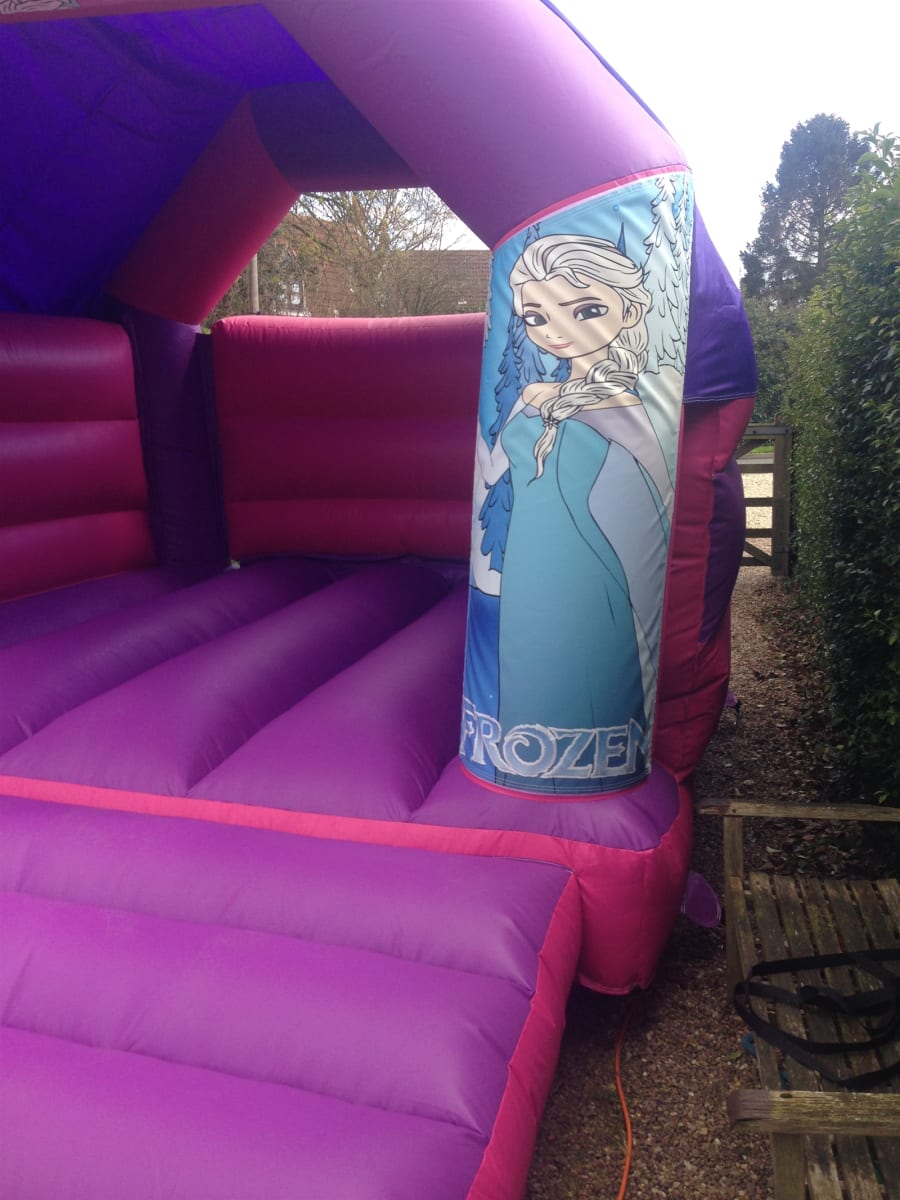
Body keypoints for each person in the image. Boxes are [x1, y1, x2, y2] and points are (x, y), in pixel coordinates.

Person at [474, 233, 673, 787]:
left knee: (581, 680)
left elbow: (649, 521)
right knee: (528, 676)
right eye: (537, 317)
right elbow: (491, 471)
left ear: (628, 310)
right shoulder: (533, 396)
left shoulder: (629, 413)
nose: (556, 330)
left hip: (587, 576)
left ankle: (588, 775)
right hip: (528, 571)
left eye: (585, 310)